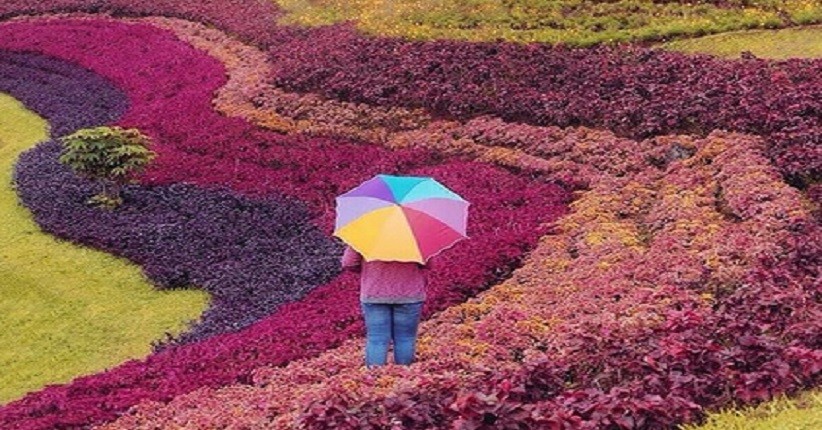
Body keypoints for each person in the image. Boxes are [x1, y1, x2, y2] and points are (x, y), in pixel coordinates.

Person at [341, 245, 435, 366]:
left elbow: (348, 263)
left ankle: (375, 379)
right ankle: (405, 377)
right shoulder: (414, 236)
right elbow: (429, 264)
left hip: (374, 293)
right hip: (409, 295)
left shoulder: (365, 234)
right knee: (405, 339)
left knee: (376, 339)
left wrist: (368, 268)